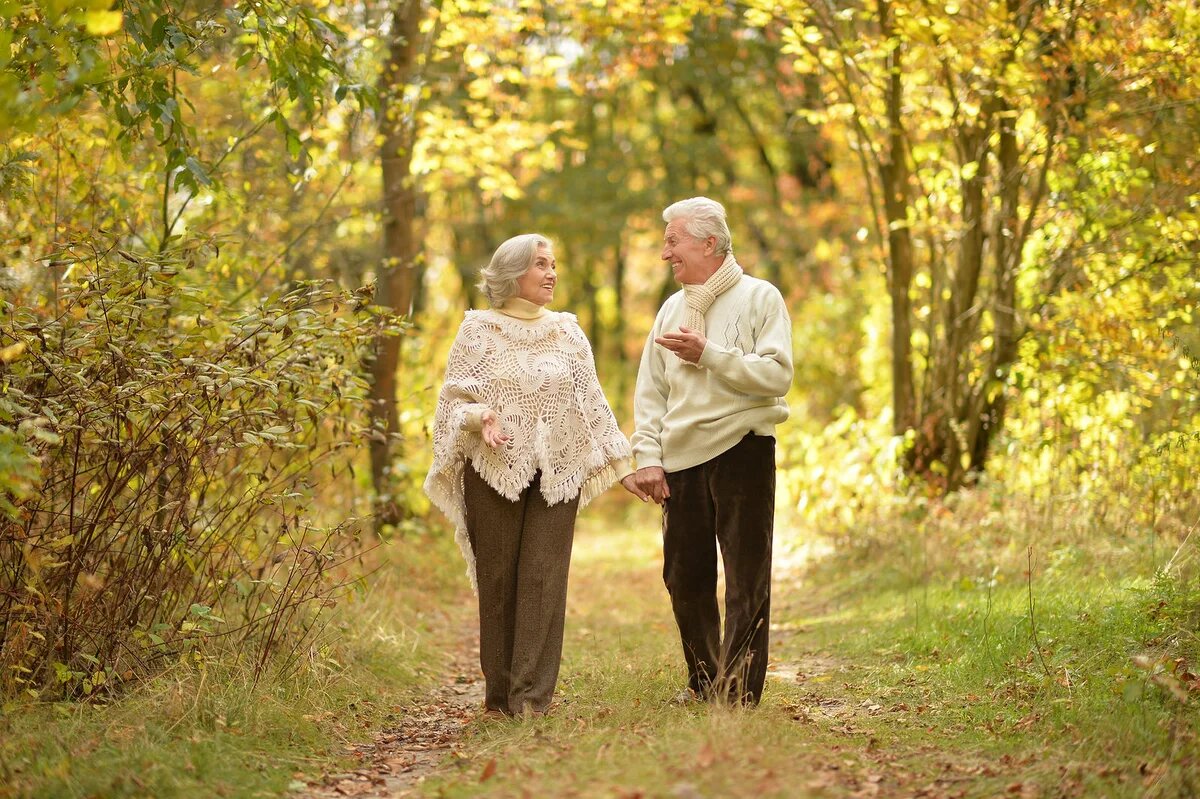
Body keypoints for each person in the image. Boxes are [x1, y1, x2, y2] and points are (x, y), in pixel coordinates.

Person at [425, 233, 633, 718]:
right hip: (492, 469)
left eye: (554, 263)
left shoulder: (568, 332)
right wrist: (481, 418)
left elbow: (594, 405)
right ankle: (499, 697)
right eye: (541, 264)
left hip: (559, 471)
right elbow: (452, 403)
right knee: (497, 580)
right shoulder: (479, 331)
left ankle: (531, 701)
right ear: (513, 272)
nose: (551, 273)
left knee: (544, 579)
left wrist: (624, 466)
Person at [621, 197, 793, 706]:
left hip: (744, 449)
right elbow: (650, 392)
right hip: (681, 460)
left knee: (746, 578)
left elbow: (777, 376)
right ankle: (704, 684)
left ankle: (737, 694)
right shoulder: (671, 310)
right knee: (685, 578)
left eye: (672, 241)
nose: (664, 253)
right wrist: (646, 456)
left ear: (708, 243)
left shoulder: (761, 298)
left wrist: (710, 355)